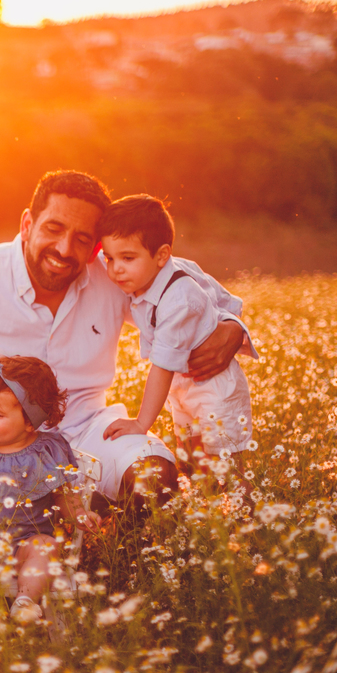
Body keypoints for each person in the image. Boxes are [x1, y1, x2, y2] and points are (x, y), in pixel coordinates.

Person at [0, 170, 256, 521]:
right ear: (27, 224)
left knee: (154, 477)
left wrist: (231, 326)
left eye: (82, 239)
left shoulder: (113, 274)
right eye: (53, 229)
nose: (64, 248)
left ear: (96, 246)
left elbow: (184, 283)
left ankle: (119, 556)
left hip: (88, 430)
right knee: (6, 541)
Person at [97, 195, 256, 486]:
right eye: (110, 258)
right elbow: (225, 299)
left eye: (127, 258)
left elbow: (163, 365)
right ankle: (203, 506)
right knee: (191, 458)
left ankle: (242, 509)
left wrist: (141, 423)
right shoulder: (157, 272)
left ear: (161, 255)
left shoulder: (179, 299)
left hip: (213, 386)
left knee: (225, 464)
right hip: (184, 384)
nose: (115, 268)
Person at [0, 347, 101, 623]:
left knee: (47, 547)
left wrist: (79, 514)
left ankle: (24, 602)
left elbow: (63, 496)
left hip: (26, 545)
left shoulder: (46, 452)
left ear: (30, 422)